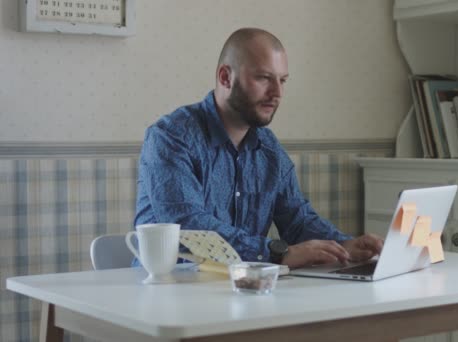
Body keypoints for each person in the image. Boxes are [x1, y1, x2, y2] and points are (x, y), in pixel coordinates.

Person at [135, 27, 383, 269]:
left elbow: (297, 220)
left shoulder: (269, 149)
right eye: (264, 78)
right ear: (225, 77)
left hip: (242, 294)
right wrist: (276, 253)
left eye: (282, 80)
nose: (277, 93)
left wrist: (344, 245)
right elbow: (188, 227)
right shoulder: (170, 137)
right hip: (169, 293)